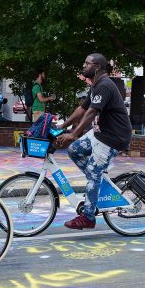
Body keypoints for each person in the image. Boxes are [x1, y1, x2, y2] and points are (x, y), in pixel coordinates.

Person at [54, 53, 130, 229]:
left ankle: (88, 218)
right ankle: (95, 180)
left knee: (93, 172)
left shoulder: (104, 85)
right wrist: (62, 126)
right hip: (100, 134)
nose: (83, 66)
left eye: (87, 63)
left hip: (113, 137)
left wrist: (74, 134)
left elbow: (91, 112)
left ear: (96, 67)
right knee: (74, 150)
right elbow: (82, 109)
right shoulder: (96, 85)